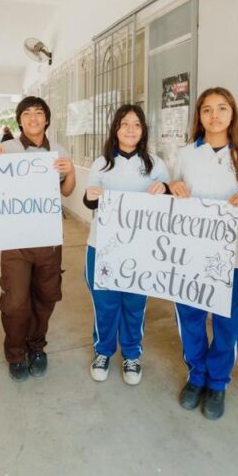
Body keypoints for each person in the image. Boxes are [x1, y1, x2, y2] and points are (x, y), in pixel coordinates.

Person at [169, 87, 238, 420]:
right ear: (199, 116)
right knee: (191, 315)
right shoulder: (186, 154)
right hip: (191, 250)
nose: (214, 115)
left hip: (233, 252)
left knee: (227, 320)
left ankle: (218, 382)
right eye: (207, 109)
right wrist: (172, 187)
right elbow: (171, 191)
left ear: (232, 113)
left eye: (222, 108)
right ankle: (196, 375)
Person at [0, 96, 75, 381]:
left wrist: (70, 171)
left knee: (45, 296)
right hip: (15, 239)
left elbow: (67, 191)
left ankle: (36, 347)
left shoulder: (58, 150)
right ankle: (15, 353)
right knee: (14, 301)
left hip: (48, 238)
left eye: (38, 113)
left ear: (46, 119)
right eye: (27, 113)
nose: (33, 118)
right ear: (19, 120)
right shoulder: (5, 150)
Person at [82, 105, 169, 385]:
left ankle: (132, 354)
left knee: (134, 303)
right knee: (105, 304)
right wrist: (91, 195)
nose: (130, 129)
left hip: (141, 249)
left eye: (136, 124)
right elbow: (89, 201)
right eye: (124, 123)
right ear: (115, 129)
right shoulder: (101, 164)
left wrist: (165, 189)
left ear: (143, 130)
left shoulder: (155, 165)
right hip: (103, 246)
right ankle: (103, 351)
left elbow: (170, 203)